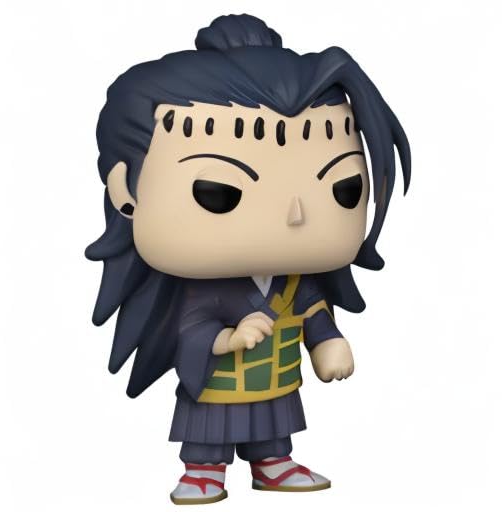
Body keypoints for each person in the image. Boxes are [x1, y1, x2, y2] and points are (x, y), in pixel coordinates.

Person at [86, 13, 411, 505]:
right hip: (218, 384)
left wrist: (327, 341)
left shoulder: (295, 280)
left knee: (274, 423)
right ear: (125, 192)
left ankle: (273, 461)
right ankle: (203, 468)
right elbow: (191, 329)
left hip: (275, 380)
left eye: (344, 188)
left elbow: (312, 312)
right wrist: (228, 339)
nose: (295, 214)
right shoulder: (205, 289)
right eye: (219, 192)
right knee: (210, 428)